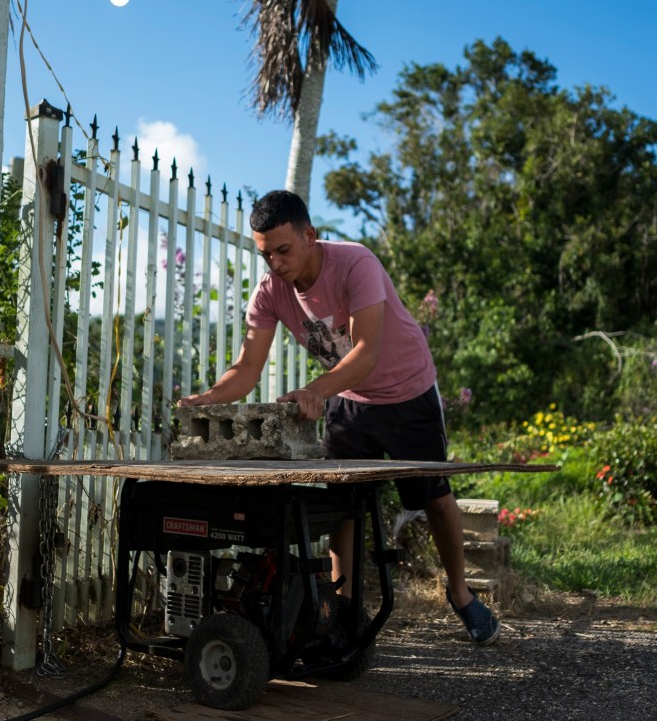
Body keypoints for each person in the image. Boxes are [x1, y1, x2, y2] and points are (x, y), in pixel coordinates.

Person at [179, 190, 500, 645]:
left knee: (434, 497)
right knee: (342, 506)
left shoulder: (356, 264)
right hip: (350, 398)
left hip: (408, 390)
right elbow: (247, 369)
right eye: (265, 254)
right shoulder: (270, 292)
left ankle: (461, 594)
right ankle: (342, 612)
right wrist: (205, 399)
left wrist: (314, 391)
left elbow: (366, 352)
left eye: (283, 250)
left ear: (311, 236)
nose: (275, 264)